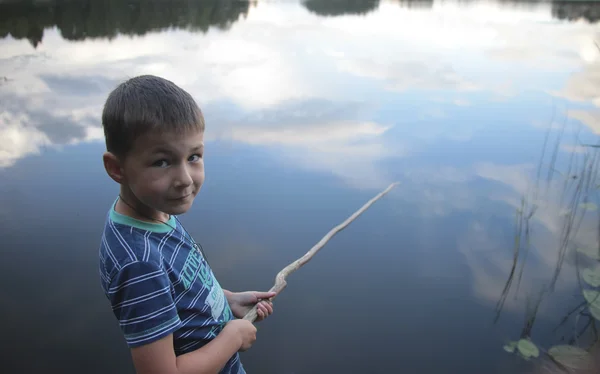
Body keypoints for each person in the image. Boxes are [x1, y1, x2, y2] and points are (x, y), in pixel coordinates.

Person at [98, 75, 275, 374]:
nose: (185, 179)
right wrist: (231, 338)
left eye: (193, 156)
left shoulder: (154, 210)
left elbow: (181, 286)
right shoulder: (139, 264)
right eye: (162, 162)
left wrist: (226, 299)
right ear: (117, 169)